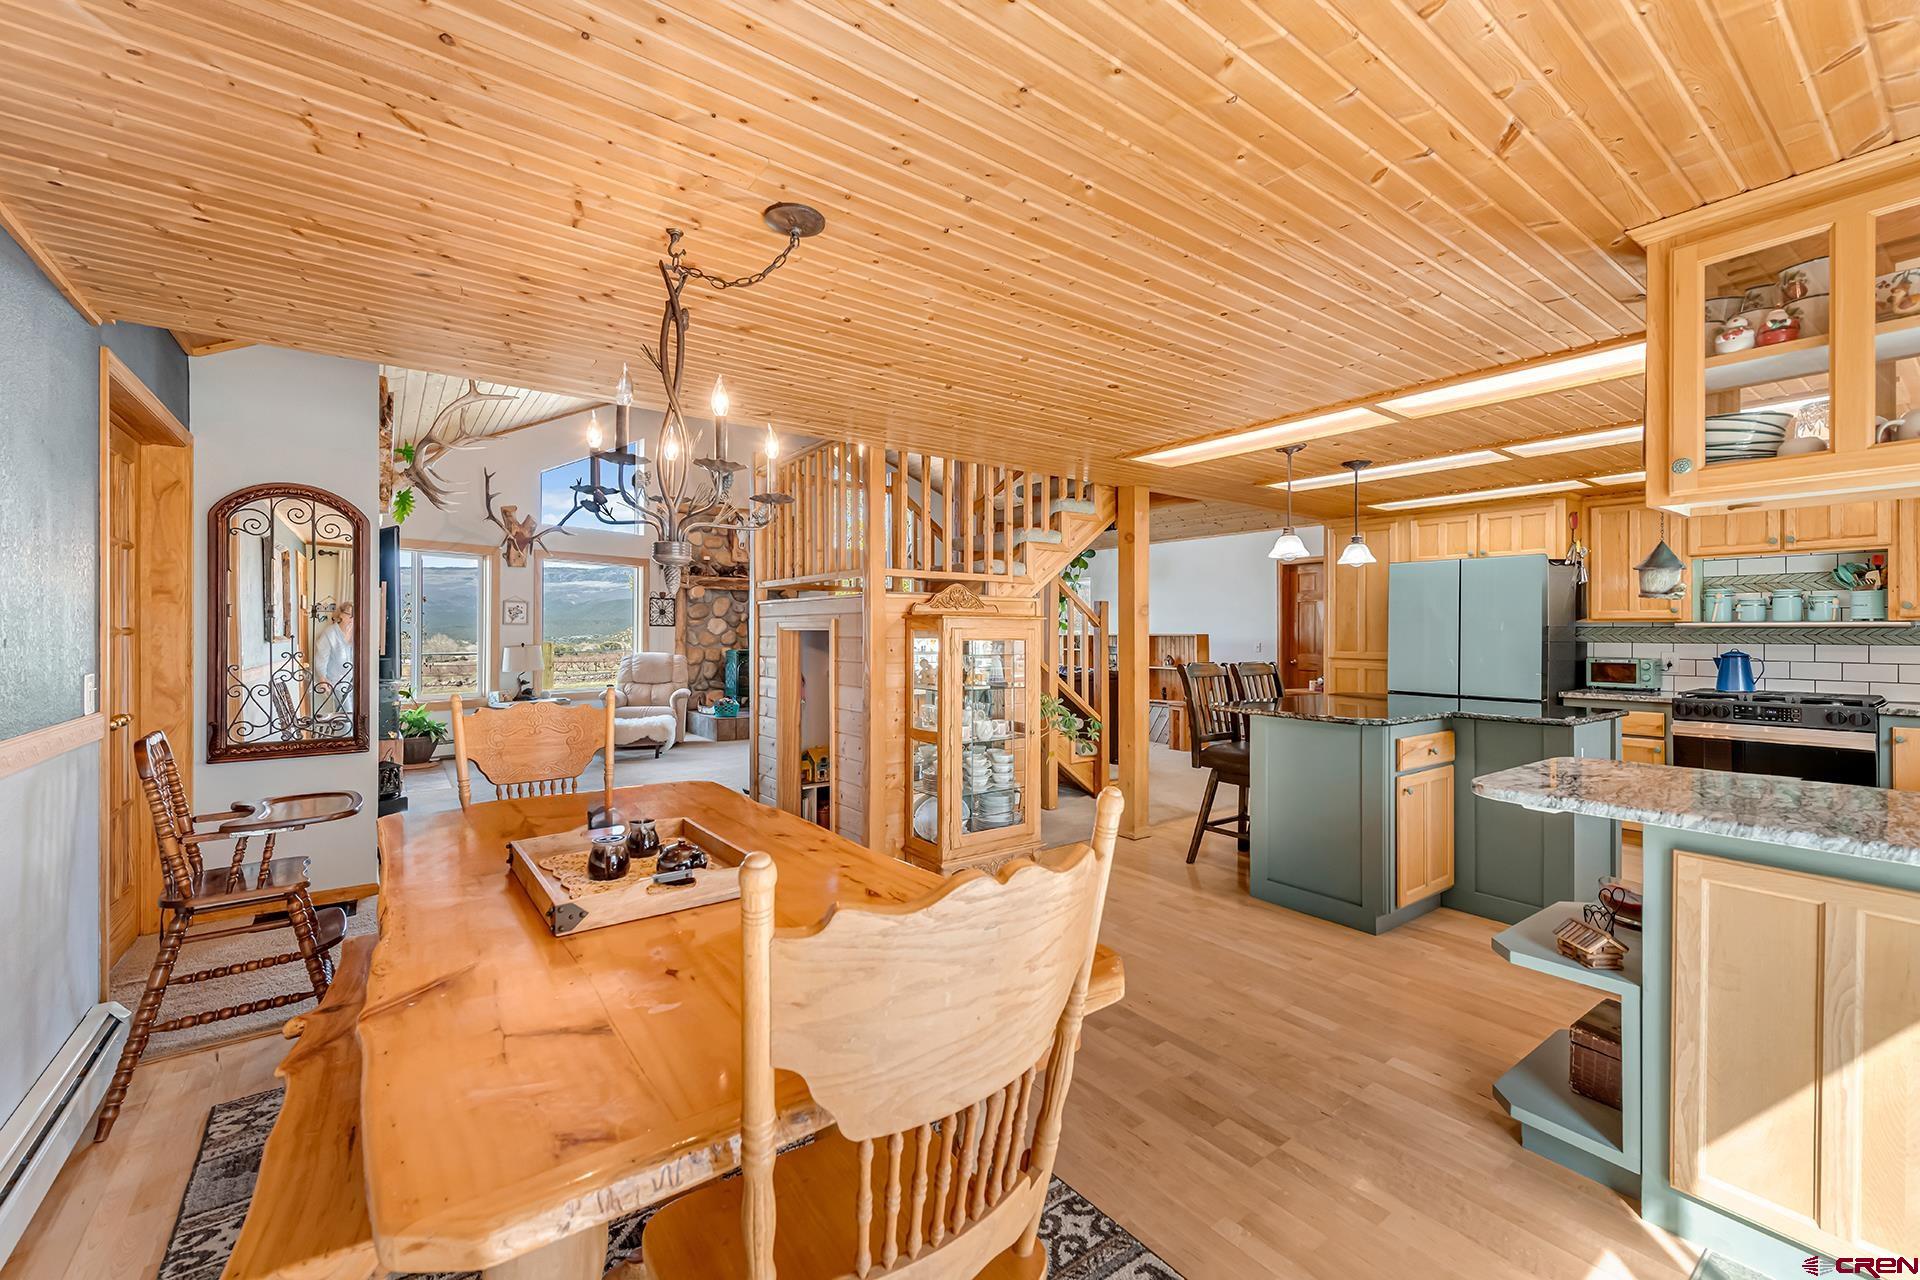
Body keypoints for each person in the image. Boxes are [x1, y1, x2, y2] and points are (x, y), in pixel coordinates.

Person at [315, 601, 356, 720]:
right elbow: (321, 658)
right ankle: (345, 738)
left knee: (356, 717)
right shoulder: (330, 633)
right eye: (350, 615)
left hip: (354, 683)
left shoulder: (356, 633)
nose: (353, 619)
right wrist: (323, 679)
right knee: (346, 718)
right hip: (337, 683)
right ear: (342, 615)